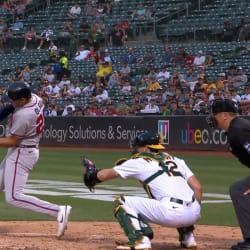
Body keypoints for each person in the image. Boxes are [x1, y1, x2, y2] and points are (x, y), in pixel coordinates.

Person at [83, 131, 202, 249]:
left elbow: (103, 176)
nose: (135, 150)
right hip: (194, 214)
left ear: (146, 148)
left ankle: (140, 240)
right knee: (183, 197)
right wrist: (192, 210)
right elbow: (198, 188)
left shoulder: (138, 161)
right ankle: (189, 238)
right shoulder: (176, 160)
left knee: (121, 202)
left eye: (137, 147)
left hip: (171, 213)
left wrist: (92, 172)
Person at [0, 81, 71, 238]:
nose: (12, 102)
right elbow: (11, 107)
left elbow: (12, 141)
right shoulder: (35, 98)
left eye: (15, 99)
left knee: (13, 197)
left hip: (21, 152)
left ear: (23, 99)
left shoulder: (23, 116)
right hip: (25, 150)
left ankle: (58, 210)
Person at [206, 99, 250, 250]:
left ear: (224, 115)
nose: (212, 117)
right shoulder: (235, 128)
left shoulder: (238, 130)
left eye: (215, 114)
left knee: (239, 190)